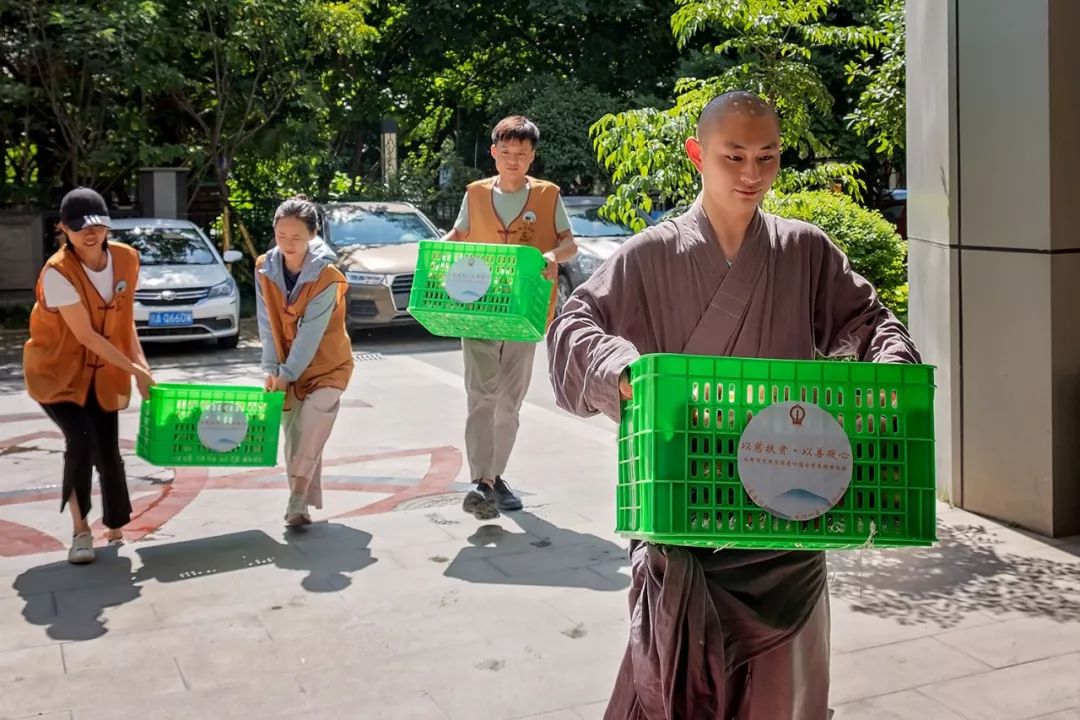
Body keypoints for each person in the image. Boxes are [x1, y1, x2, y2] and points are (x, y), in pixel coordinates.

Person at [547, 91, 921, 718]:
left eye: (767, 157)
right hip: (683, 517)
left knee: (782, 698)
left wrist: (888, 374)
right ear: (697, 154)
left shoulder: (804, 250)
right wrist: (619, 368)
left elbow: (872, 322)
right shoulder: (649, 255)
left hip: (790, 518)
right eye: (734, 156)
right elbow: (573, 326)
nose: (752, 174)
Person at [441, 115, 578, 520]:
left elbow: (569, 244)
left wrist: (552, 255)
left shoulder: (548, 195)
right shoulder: (475, 194)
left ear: (532, 156)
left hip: (525, 309)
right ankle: (482, 482)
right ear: (493, 153)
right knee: (480, 396)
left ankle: (494, 477)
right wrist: (437, 250)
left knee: (508, 402)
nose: (513, 159)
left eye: (521, 153)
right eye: (506, 152)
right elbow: (457, 236)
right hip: (478, 307)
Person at [23, 187, 156, 564]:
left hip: (102, 373)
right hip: (57, 373)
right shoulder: (57, 273)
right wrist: (133, 370)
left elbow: (124, 322)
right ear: (64, 229)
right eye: (80, 227)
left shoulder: (126, 259)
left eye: (97, 225)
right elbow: (86, 336)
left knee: (108, 449)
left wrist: (143, 367)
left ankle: (115, 524)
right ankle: (81, 532)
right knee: (81, 440)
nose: (90, 233)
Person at [256, 195, 354, 526]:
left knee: (312, 425)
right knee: (294, 434)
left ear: (312, 235)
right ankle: (298, 502)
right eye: (281, 235)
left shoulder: (327, 275)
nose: (288, 244)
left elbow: (311, 333)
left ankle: (297, 498)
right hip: (287, 364)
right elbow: (266, 322)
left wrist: (286, 374)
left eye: (297, 237)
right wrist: (272, 370)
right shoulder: (264, 267)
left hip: (328, 365)